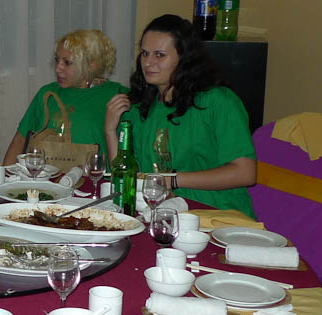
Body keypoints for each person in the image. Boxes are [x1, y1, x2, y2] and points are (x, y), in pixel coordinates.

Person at [104, 14, 256, 217]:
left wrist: (173, 179)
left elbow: (245, 173)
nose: (148, 63)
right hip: (163, 216)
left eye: (159, 55)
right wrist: (110, 130)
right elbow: (125, 179)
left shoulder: (218, 101)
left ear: (184, 59)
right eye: (144, 54)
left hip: (218, 216)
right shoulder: (141, 106)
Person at [2, 29, 125, 165]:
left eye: (67, 62)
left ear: (91, 65)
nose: (58, 68)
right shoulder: (47, 93)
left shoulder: (115, 95)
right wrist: (2, 175)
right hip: (44, 176)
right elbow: (20, 140)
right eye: (57, 60)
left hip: (93, 176)